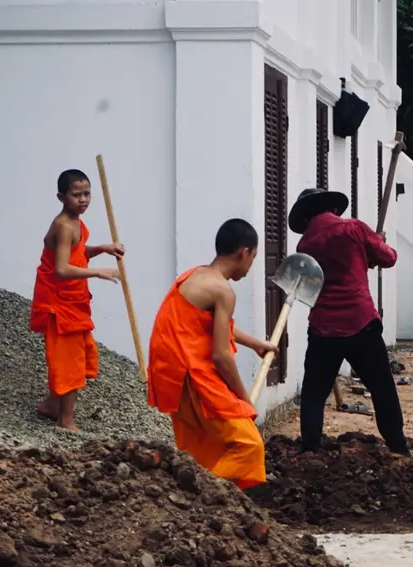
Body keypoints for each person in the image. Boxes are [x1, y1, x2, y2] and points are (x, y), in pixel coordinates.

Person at [146, 218, 276, 490]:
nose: (251, 265)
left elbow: (204, 326)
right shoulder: (223, 291)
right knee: (249, 445)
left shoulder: (196, 275)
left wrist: (254, 343)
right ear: (244, 252)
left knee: (205, 447)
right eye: (253, 257)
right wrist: (243, 399)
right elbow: (221, 356)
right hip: (190, 374)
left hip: (171, 373)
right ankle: (204, 500)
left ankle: (196, 501)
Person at [288, 188, 413, 457]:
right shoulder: (355, 229)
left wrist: (365, 254)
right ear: (332, 208)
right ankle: (398, 446)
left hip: (323, 328)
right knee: (381, 388)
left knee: (313, 393)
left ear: (307, 218)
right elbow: (389, 258)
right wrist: (377, 243)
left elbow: (310, 289)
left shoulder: (304, 246)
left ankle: (310, 448)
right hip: (361, 323)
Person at [31, 169, 124, 432]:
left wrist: (103, 249)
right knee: (69, 360)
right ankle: (66, 420)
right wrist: (98, 272)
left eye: (87, 193)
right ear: (61, 197)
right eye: (76, 194)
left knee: (80, 355)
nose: (83, 199)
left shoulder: (76, 224)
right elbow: (61, 269)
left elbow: (78, 252)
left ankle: (51, 405)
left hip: (73, 302)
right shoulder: (63, 225)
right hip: (58, 304)